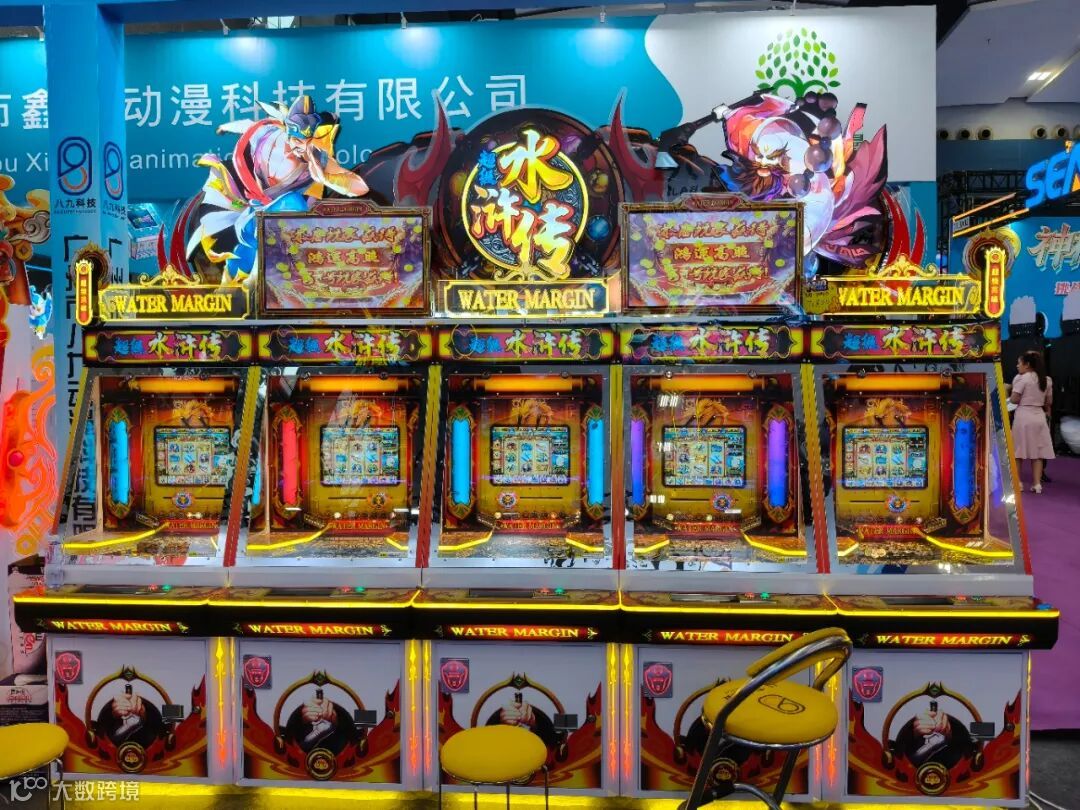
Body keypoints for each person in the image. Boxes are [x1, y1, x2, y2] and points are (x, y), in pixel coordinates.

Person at [1010, 351, 1055, 493]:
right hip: (1039, 416)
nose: (1017, 366)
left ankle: (1018, 483)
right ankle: (1037, 484)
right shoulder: (1047, 380)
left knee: (1018, 451)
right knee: (1038, 452)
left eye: (1019, 363)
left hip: (1023, 416)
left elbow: (1014, 399)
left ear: (1027, 364)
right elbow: (1049, 401)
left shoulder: (1022, 378)